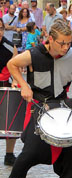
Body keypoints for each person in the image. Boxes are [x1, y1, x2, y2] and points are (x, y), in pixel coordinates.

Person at [4, 19, 72, 178]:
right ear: (50, 39)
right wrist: (23, 85)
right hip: (39, 105)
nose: (66, 47)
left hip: (64, 105)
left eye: (69, 42)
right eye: (62, 43)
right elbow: (11, 64)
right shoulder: (33, 54)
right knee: (31, 152)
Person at [0, 18, 18, 166]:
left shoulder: (10, 47)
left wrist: (17, 84)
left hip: (6, 86)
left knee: (11, 122)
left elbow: (16, 69)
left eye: (1, 28)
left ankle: (9, 155)